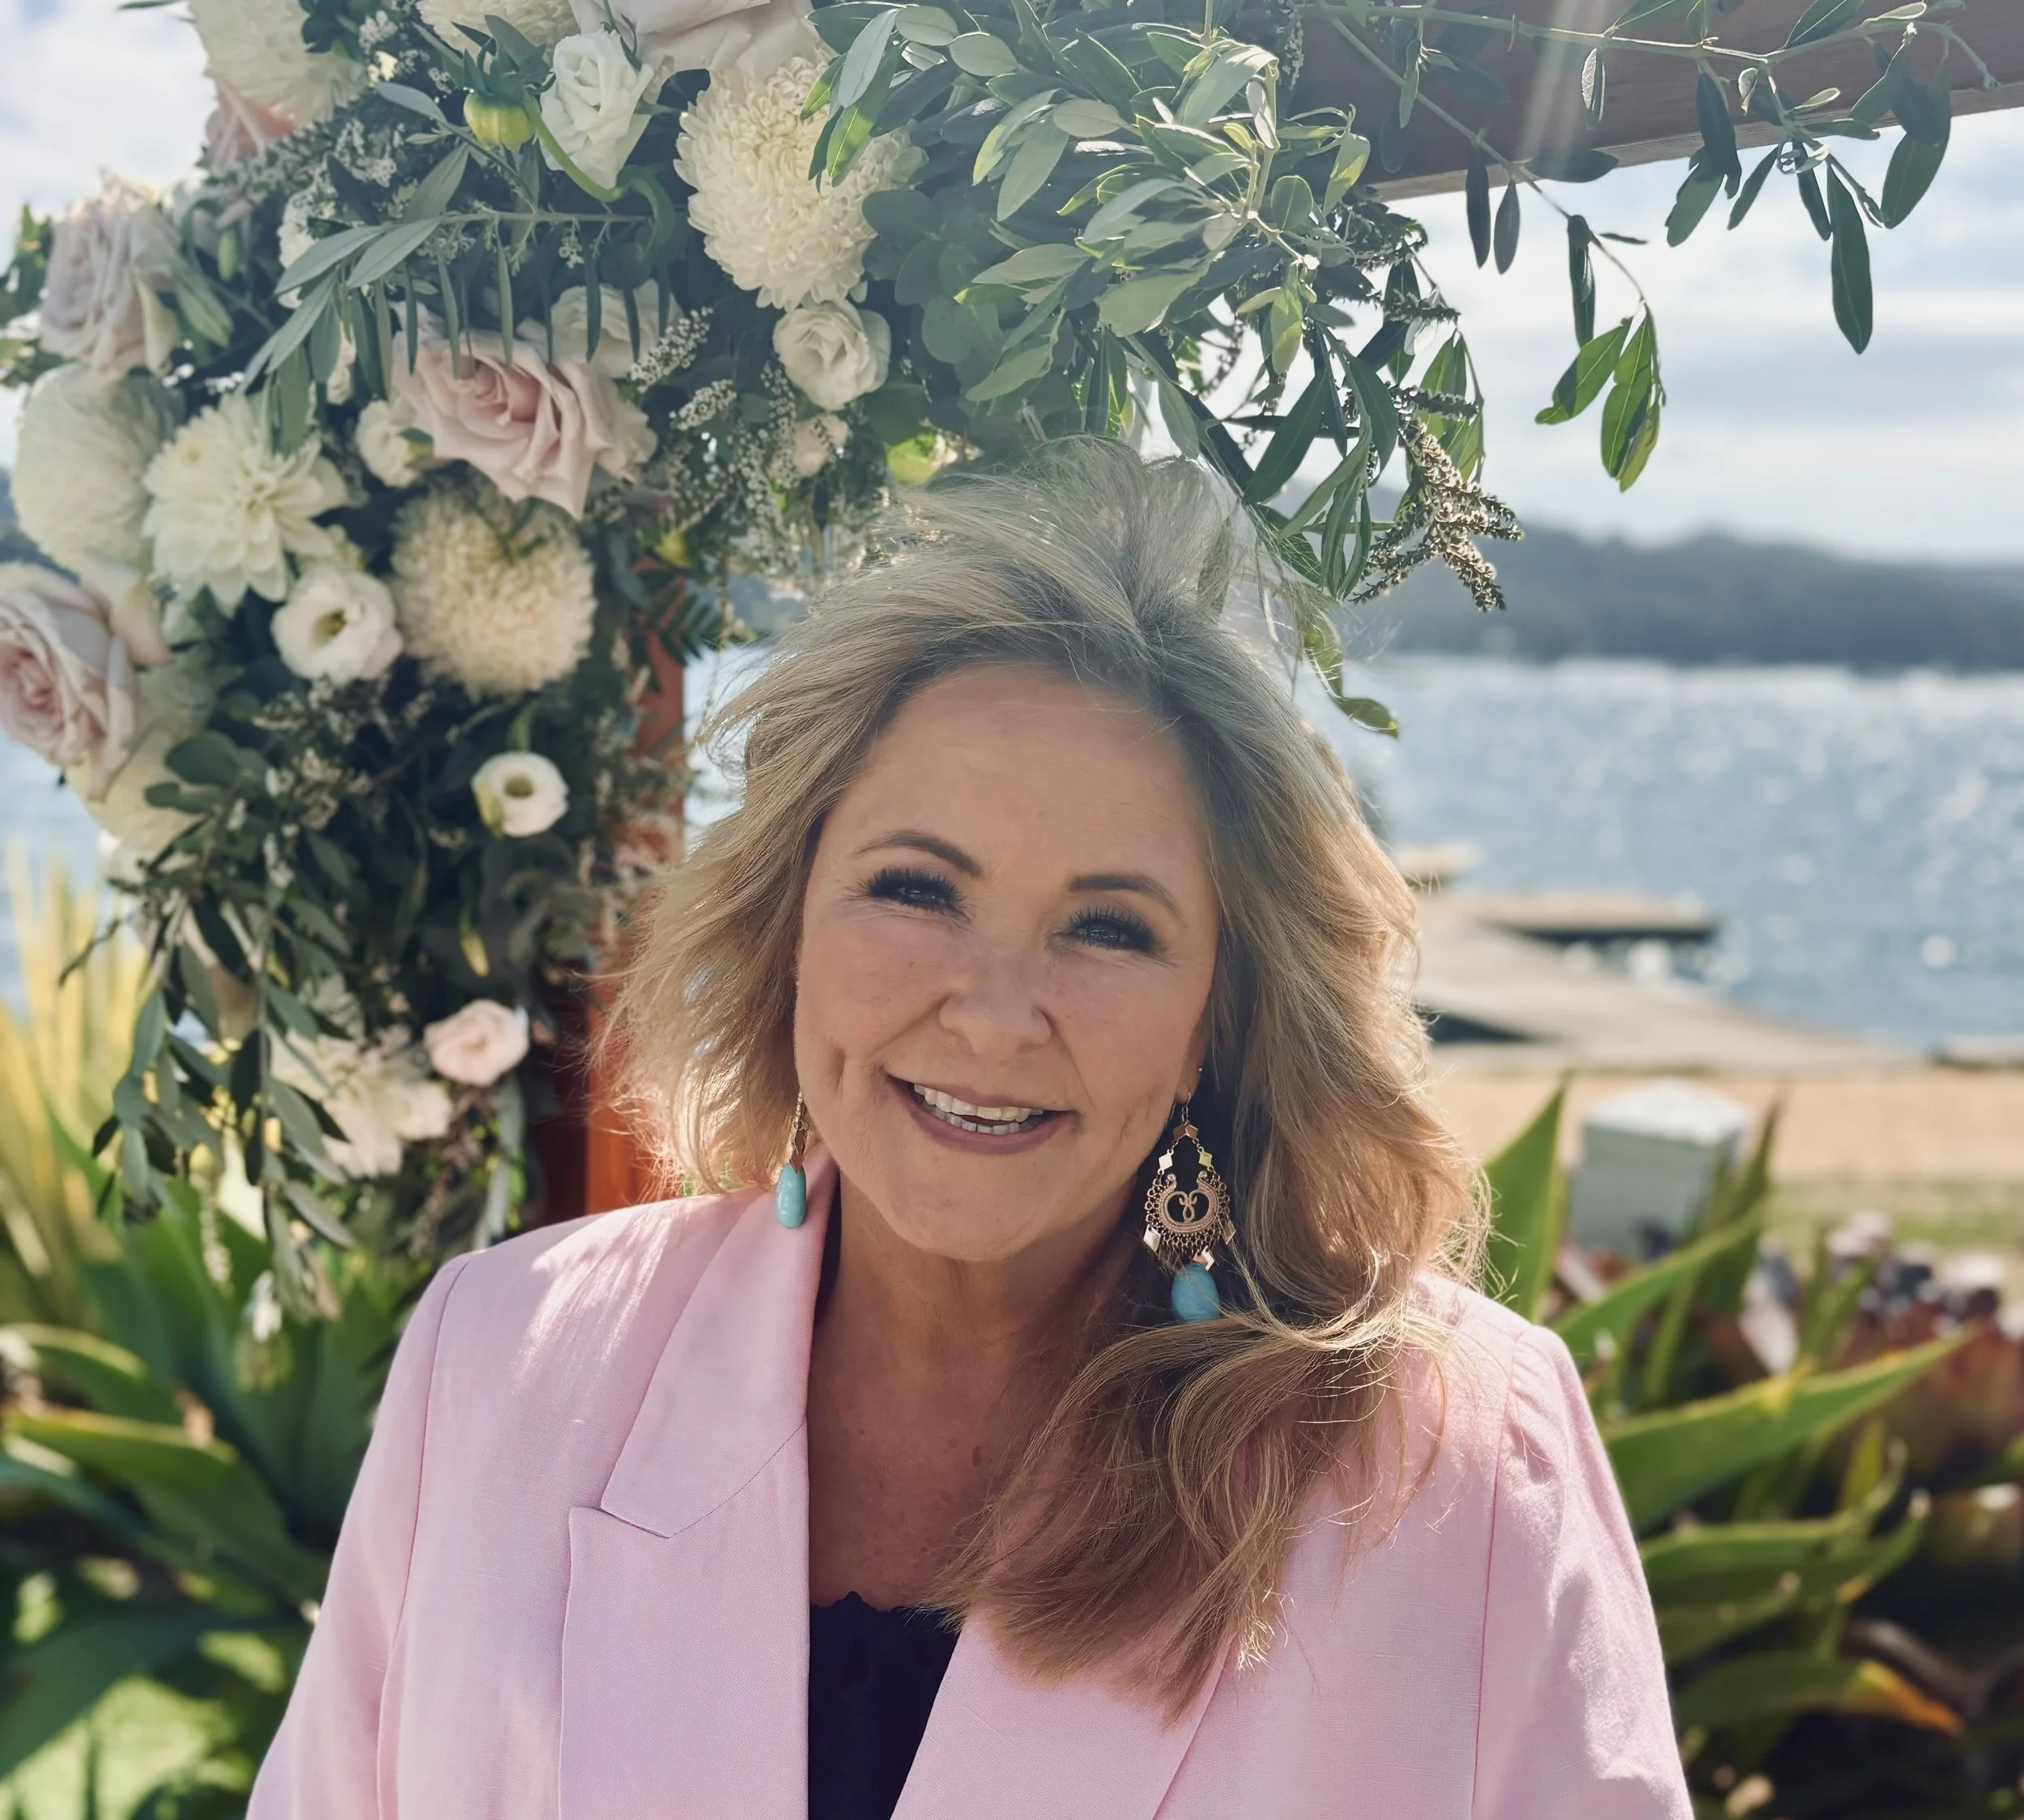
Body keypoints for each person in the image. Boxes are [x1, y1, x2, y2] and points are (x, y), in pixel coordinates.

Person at [248, 440, 1689, 1819]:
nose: (995, 1018)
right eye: (917, 889)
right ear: (786, 921)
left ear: (1218, 1012)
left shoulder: (1458, 1463)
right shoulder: (499, 1358)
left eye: (1109, 928)